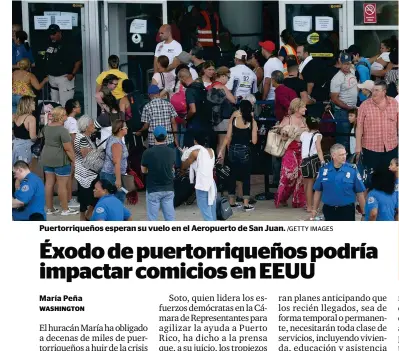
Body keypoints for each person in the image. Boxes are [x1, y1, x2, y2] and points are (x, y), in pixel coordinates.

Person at [218, 100, 258, 211]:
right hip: (245, 151)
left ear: (239, 109)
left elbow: (227, 137)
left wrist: (221, 150)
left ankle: (232, 202)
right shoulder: (252, 122)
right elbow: (254, 141)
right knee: (245, 177)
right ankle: (246, 204)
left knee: (232, 175)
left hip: (232, 150)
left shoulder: (234, 120)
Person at [312, 143, 366, 221]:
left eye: (345, 154)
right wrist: (314, 209)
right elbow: (318, 191)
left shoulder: (352, 170)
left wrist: (364, 213)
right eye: (341, 155)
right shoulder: (324, 170)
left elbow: (360, 193)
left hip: (347, 210)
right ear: (333, 155)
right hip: (329, 210)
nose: (344, 157)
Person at [41, 107, 78, 216]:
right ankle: (65, 209)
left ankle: (49, 208)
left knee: (49, 183)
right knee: (62, 185)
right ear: (61, 117)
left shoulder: (46, 127)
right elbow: (68, 148)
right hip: (60, 159)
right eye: (65, 114)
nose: (67, 116)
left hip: (47, 157)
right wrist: (74, 160)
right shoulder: (63, 130)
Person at [356, 81, 398, 173]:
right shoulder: (364, 105)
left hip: (391, 146)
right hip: (371, 148)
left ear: (384, 91)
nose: (374, 92)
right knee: (372, 176)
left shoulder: (394, 103)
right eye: (373, 90)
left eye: (377, 90)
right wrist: (358, 146)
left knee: (390, 175)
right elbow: (359, 127)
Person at [274, 98, 307, 209]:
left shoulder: (304, 120)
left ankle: (298, 201)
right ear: (297, 108)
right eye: (303, 107)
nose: (305, 109)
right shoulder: (287, 119)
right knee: (289, 174)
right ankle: (282, 198)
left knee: (301, 176)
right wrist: (285, 132)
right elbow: (279, 131)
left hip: (302, 150)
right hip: (290, 149)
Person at [141, 126, 176, 221]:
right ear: (166, 137)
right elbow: (172, 168)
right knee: (170, 218)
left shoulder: (147, 152)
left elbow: (143, 170)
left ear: (153, 136)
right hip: (168, 188)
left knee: (152, 219)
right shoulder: (172, 152)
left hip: (153, 188)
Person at [181, 133, 216, 221]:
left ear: (195, 141)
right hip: (212, 184)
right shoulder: (211, 150)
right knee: (212, 212)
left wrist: (185, 154)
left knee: (206, 214)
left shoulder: (195, 152)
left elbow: (185, 165)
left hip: (202, 185)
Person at [44, 24, 82, 106]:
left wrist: (72, 74)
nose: (52, 36)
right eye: (50, 34)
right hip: (52, 77)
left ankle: (67, 119)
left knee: (65, 103)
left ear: (59, 32)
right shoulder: (49, 43)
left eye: (54, 34)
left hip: (64, 77)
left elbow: (78, 60)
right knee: (54, 104)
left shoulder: (69, 43)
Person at [330, 52, 358, 153]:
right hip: (342, 112)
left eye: (348, 63)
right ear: (340, 63)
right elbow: (334, 98)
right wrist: (347, 107)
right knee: (344, 138)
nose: (347, 66)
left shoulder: (352, 71)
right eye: (345, 63)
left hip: (353, 110)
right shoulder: (337, 78)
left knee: (353, 136)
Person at [74, 115, 98, 221]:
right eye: (92, 124)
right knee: (87, 196)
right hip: (85, 173)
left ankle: (86, 216)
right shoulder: (82, 138)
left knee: (90, 195)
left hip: (89, 172)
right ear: (86, 126)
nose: (94, 126)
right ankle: (84, 217)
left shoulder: (85, 137)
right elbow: (86, 156)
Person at [207, 66, 237, 155]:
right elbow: (233, 100)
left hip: (213, 118)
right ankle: (220, 165)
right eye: (228, 77)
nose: (228, 80)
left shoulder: (211, 85)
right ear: (223, 76)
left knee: (215, 143)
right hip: (223, 118)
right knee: (222, 144)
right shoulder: (221, 86)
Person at [100, 119, 129, 204]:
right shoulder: (116, 143)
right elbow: (116, 162)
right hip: (112, 175)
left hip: (111, 174)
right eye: (125, 127)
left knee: (111, 199)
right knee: (118, 199)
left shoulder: (112, 138)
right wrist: (118, 180)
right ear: (120, 129)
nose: (127, 128)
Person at [300, 117, 325, 212]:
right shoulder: (318, 135)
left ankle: (308, 204)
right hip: (312, 162)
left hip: (304, 161)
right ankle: (310, 207)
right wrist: (322, 161)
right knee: (311, 185)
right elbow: (318, 149)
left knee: (306, 184)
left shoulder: (304, 134)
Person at [178, 68, 208, 147]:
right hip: (205, 124)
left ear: (183, 78)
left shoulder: (190, 91)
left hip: (194, 125)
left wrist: (185, 119)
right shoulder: (202, 88)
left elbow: (193, 110)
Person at [12, 96, 37, 166]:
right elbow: (33, 137)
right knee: (24, 172)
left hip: (16, 147)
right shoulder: (31, 118)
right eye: (32, 102)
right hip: (25, 148)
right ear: (27, 104)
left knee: (16, 171)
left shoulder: (15, 116)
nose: (34, 103)